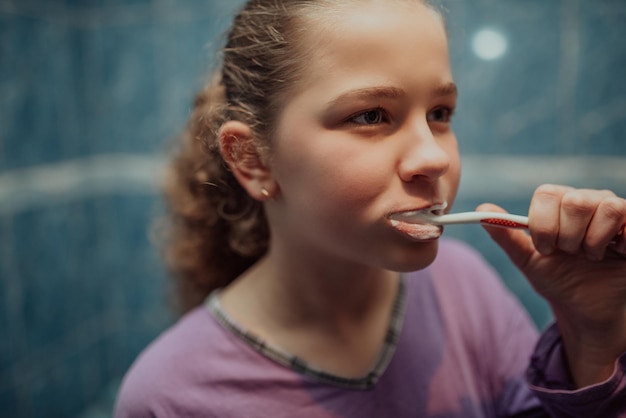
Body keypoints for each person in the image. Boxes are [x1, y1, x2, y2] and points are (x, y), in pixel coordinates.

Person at [114, 0, 626, 416]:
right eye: (371, 115)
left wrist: (593, 338)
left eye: (440, 113)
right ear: (253, 160)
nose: (433, 156)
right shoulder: (169, 397)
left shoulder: (463, 285)